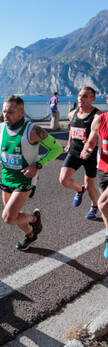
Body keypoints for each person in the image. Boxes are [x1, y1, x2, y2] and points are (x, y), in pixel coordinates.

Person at [0, 95, 63, 251]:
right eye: (4, 111)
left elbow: (57, 148)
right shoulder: (0, 128)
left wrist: (38, 165)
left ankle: (34, 218)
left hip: (25, 180)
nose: (5, 115)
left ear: (21, 112)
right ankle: (31, 236)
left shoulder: (33, 131)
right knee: (14, 216)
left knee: (9, 217)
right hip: (6, 179)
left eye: (10, 112)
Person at [59, 87, 102, 219]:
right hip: (75, 151)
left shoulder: (97, 116)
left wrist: (92, 142)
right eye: (79, 95)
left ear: (92, 99)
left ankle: (94, 206)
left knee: (90, 185)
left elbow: (102, 136)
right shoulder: (73, 114)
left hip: (90, 154)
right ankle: (79, 189)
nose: (80, 98)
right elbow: (72, 129)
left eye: (85, 96)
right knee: (63, 180)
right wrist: (69, 142)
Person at [81, 94, 108, 258]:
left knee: (103, 203)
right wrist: (87, 150)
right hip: (103, 170)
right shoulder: (100, 120)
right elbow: (91, 142)